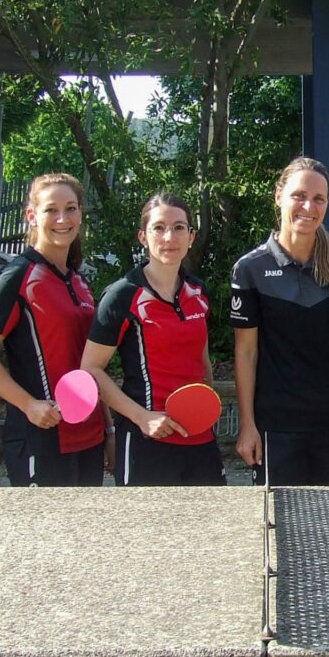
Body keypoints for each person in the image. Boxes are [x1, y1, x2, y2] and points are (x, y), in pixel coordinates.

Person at [0, 173, 112, 486]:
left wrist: (108, 429)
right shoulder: (16, 277)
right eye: (51, 210)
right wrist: (28, 404)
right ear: (32, 216)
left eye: (71, 208)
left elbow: (91, 367)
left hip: (88, 437)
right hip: (41, 436)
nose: (63, 218)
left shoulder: (79, 281)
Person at [81, 192, 225, 486]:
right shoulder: (122, 294)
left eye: (179, 227)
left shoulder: (198, 291)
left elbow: (201, 359)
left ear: (191, 236)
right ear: (143, 237)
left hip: (200, 437)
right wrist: (142, 417)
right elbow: (90, 369)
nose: (169, 236)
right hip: (147, 438)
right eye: (158, 228)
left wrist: (206, 406)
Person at [230, 157, 329, 486]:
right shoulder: (250, 269)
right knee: (282, 529)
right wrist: (247, 425)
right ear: (279, 196)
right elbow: (246, 353)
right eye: (299, 196)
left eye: (319, 199)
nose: (308, 206)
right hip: (277, 427)